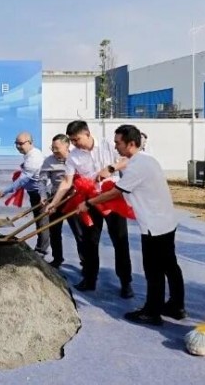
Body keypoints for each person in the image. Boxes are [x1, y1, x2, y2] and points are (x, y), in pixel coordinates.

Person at [77, 124, 184, 326]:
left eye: (118, 143)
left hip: (154, 226)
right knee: (170, 265)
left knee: (153, 270)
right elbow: (122, 166)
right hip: (166, 221)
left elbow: (115, 192)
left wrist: (88, 203)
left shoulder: (137, 167)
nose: (115, 147)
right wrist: (110, 169)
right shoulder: (147, 159)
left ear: (131, 144)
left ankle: (152, 312)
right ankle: (176, 306)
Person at [50, 120, 134, 298]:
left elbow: (128, 159)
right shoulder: (73, 156)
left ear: (87, 134)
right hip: (90, 201)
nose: (74, 144)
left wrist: (111, 168)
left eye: (77, 139)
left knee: (120, 241)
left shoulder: (108, 145)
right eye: (72, 141)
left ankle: (125, 282)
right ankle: (90, 279)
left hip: (112, 197)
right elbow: (67, 181)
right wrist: (55, 203)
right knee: (89, 241)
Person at [0, 132, 49, 258]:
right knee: (39, 221)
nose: (18, 146)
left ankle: (41, 250)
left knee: (42, 222)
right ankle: (41, 248)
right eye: (16, 143)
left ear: (30, 142)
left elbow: (22, 180)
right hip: (34, 193)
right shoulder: (30, 154)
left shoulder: (33, 158)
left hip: (41, 194)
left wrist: (5, 191)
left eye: (21, 143)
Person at [41, 134, 72, 268]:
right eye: (52, 148)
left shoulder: (75, 158)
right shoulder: (49, 161)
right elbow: (42, 180)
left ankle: (86, 264)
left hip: (73, 198)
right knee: (54, 230)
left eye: (57, 148)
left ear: (67, 146)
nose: (54, 151)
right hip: (56, 197)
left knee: (80, 232)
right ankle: (57, 258)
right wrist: (43, 195)